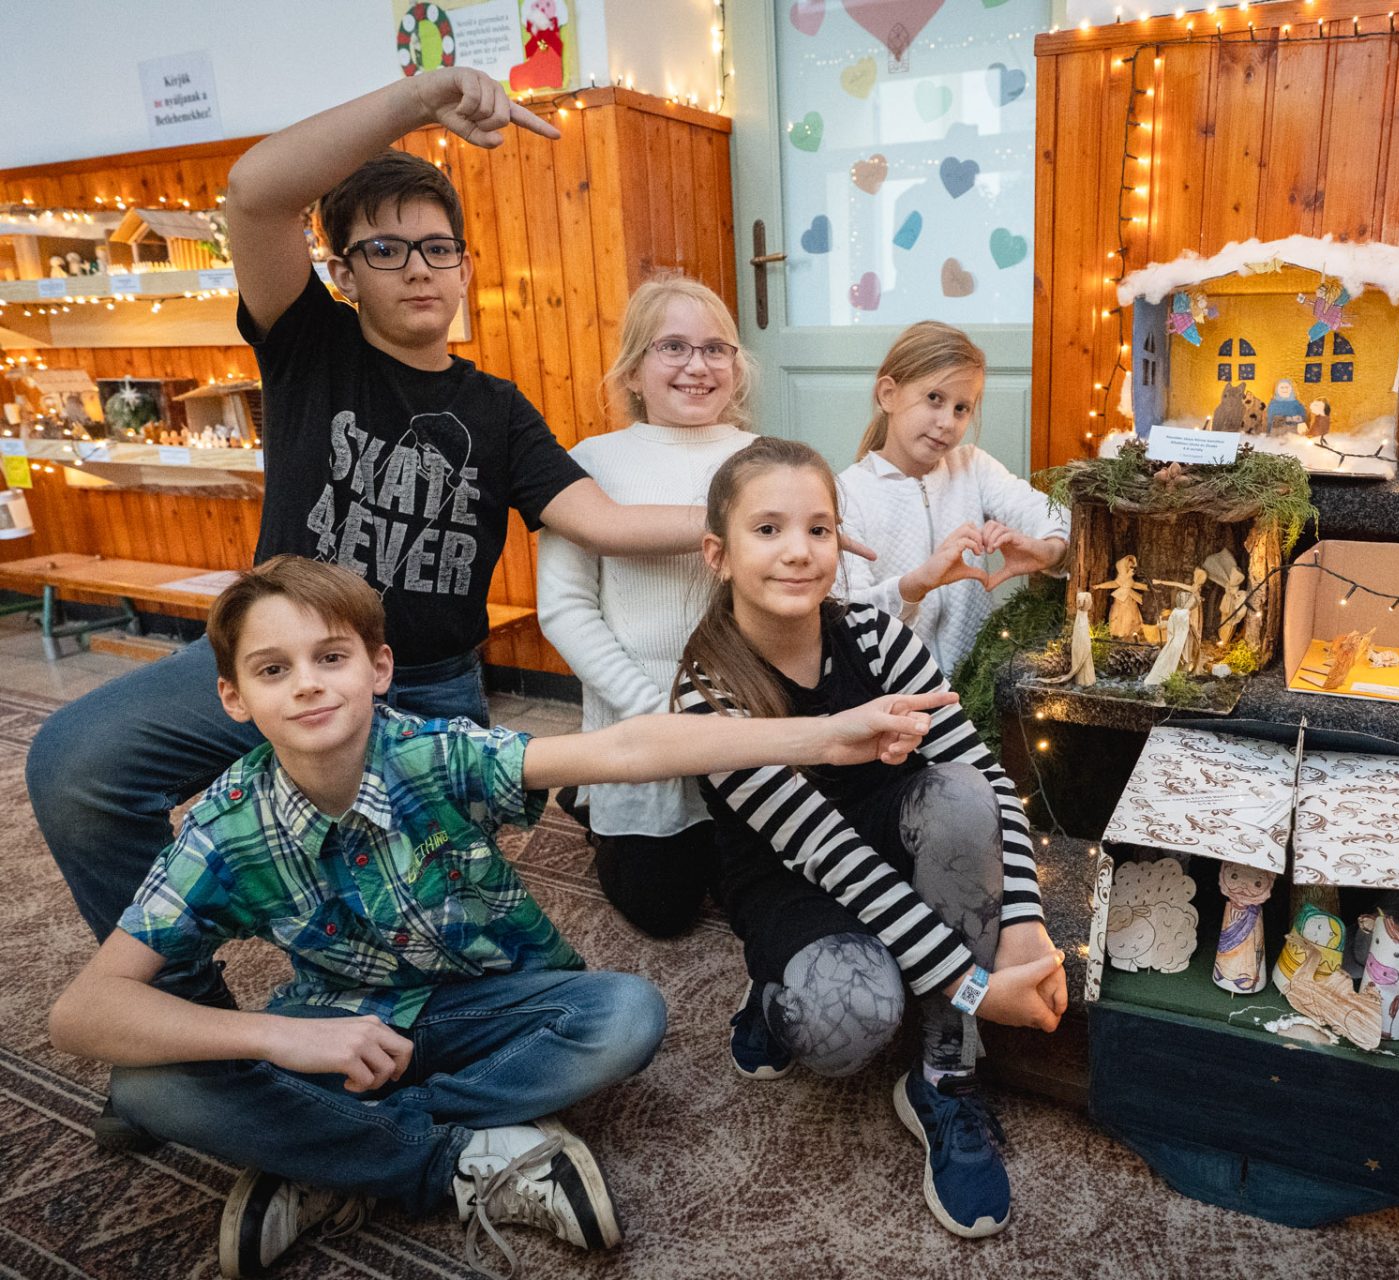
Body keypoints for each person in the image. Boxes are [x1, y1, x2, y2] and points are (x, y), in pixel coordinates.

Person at [24, 68, 878, 1044]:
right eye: (385, 250)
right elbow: (254, 192)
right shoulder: (310, 345)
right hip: (276, 657)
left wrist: (775, 522)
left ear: (465, 266)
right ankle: (180, 1012)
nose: (418, 269)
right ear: (345, 271)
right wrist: (418, 100)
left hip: (425, 686)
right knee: (75, 761)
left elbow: (602, 521)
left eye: (437, 248)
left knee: (437, 941)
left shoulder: (499, 411)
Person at [48, 556, 951, 1278]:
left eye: (331, 658)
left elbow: (628, 747)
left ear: (378, 670)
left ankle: (330, 1156)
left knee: (626, 1016)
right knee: (148, 1089)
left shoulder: (435, 754)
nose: (309, 686)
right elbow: (84, 1013)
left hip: (499, 1006)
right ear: (234, 698)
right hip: (340, 1029)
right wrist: (283, 1039)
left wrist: (823, 734)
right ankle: (462, 1158)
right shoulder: (225, 830)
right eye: (273, 669)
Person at [675, 437, 1067, 1238]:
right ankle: (773, 994)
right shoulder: (706, 697)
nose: (799, 551)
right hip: (795, 878)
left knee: (961, 796)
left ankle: (944, 1073)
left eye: (819, 529)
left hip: (891, 832)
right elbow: (837, 860)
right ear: (719, 554)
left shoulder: (878, 636)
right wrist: (976, 986)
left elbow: (988, 779)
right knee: (851, 1020)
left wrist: (1023, 926)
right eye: (768, 530)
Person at [537, 275, 753, 939]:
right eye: (673, 347)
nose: (698, 365)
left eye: (715, 349)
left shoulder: (762, 460)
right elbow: (566, 609)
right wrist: (651, 711)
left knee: (754, 898)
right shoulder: (591, 465)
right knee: (662, 913)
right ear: (632, 371)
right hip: (641, 721)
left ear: (736, 367)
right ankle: (590, 797)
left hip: (741, 722)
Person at [836, 321, 1069, 675]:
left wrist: (1048, 551)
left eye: (962, 408)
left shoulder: (972, 467)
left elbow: (1052, 515)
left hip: (976, 685)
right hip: (894, 690)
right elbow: (848, 613)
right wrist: (917, 584)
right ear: (888, 395)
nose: (947, 422)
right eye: (934, 399)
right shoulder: (847, 494)